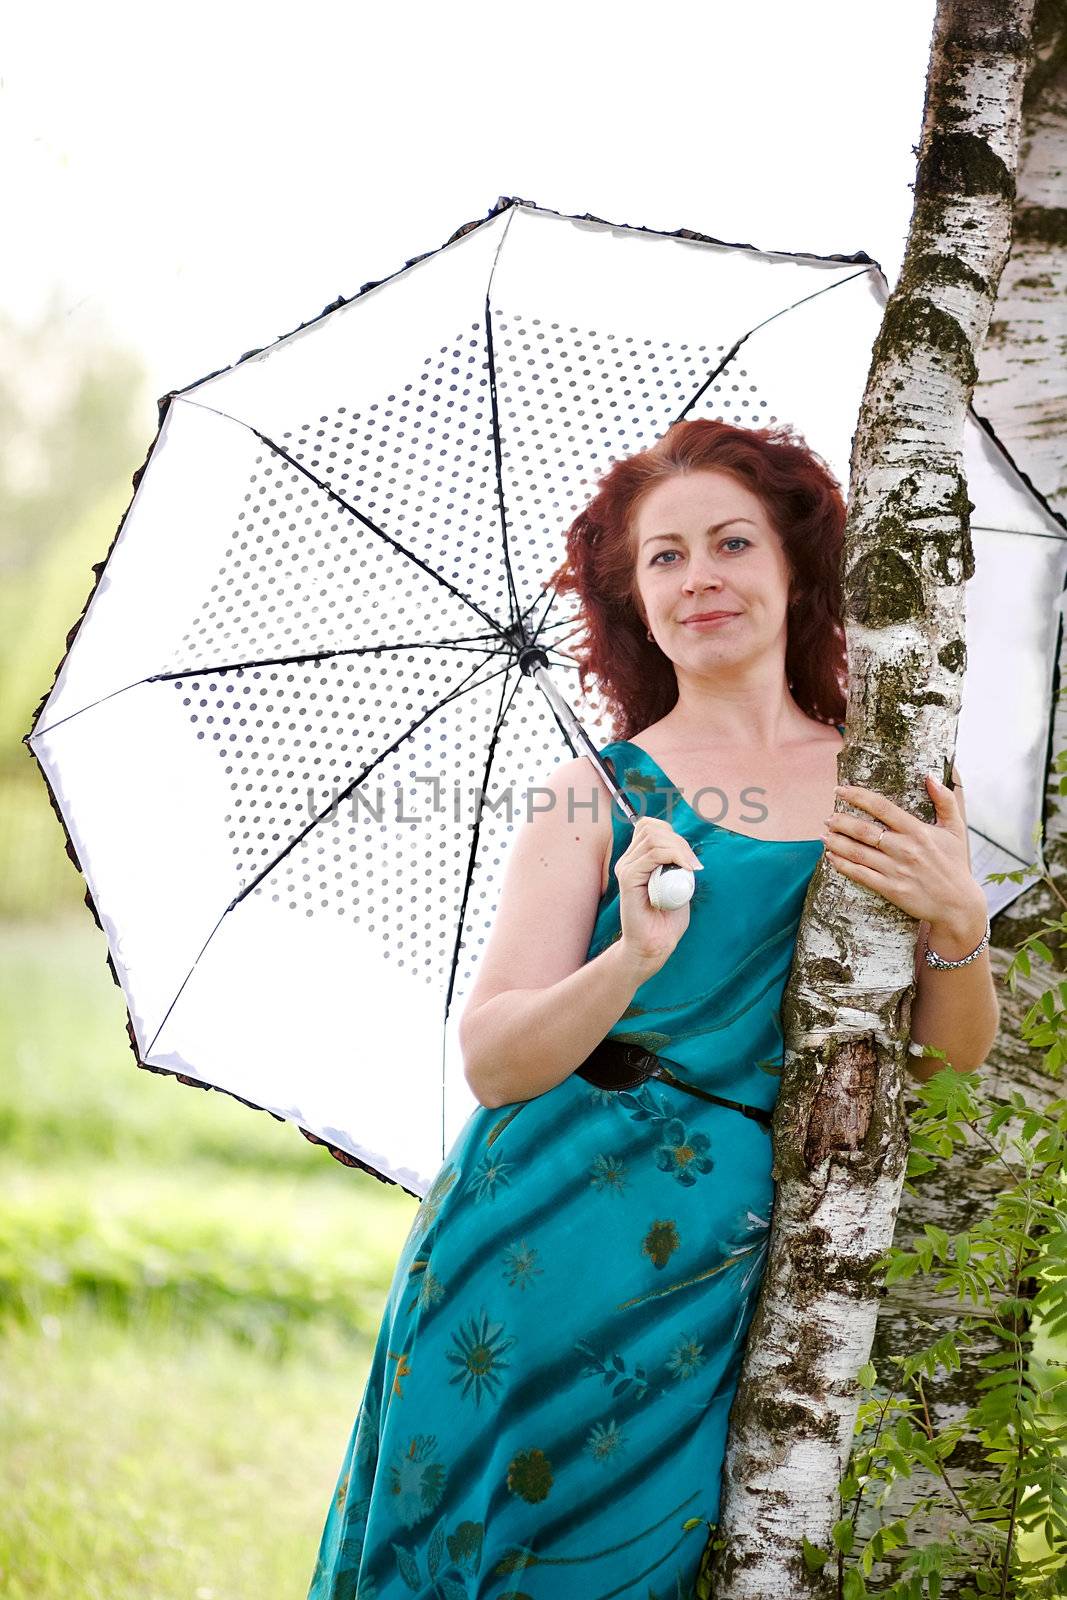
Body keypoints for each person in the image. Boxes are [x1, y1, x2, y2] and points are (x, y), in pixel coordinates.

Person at [305, 418, 996, 1600]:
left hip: (710, 1269)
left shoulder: (882, 777)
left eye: (730, 542)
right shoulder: (593, 795)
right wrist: (627, 956)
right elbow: (492, 1061)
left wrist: (956, 924)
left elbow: (940, 1065)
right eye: (663, 557)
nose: (699, 578)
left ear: (794, 567)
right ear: (633, 596)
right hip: (525, 1248)